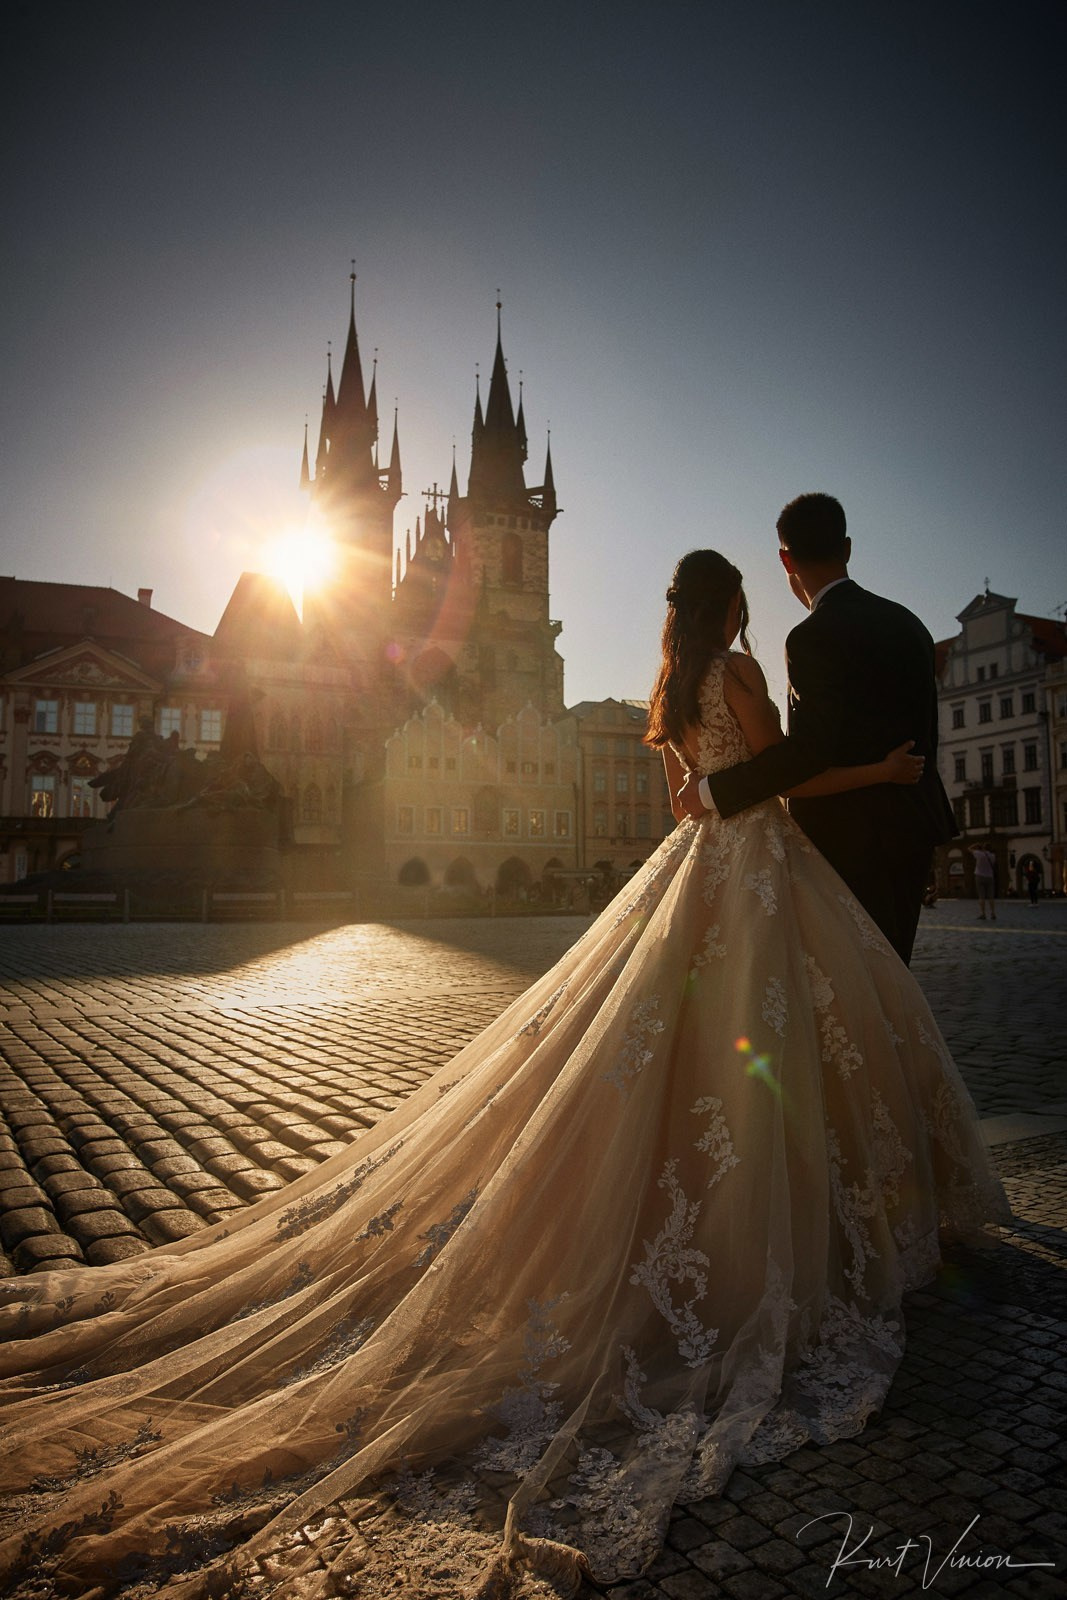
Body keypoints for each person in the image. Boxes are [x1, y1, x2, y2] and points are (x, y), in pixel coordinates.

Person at [0, 553, 1006, 1600]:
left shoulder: (670, 686)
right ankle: (783, 1223)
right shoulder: (740, 675)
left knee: (662, 1058)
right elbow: (780, 776)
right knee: (788, 1045)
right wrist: (881, 776)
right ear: (738, 601)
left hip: (698, 871)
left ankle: (701, 1211)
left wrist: (716, 787)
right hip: (755, 870)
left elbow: (685, 804)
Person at [677, 494, 956, 965]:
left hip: (843, 834)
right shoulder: (910, 624)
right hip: (912, 823)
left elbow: (805, 754)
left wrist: (709, 791)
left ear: (785, 558)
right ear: (847, 548)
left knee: (854, 980)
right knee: (892, 973)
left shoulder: (812, 636)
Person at [969, 843, 997, 920]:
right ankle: (993, 913)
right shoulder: (993, 856)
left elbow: (969, 849)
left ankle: (983, 914)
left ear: (983, 848)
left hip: (979, 876)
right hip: (989, 877)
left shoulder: (979, 854)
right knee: (991, 896)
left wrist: (976, 845)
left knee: (981, 897)